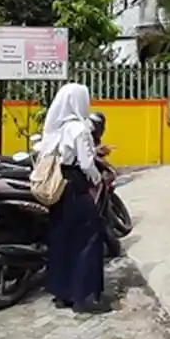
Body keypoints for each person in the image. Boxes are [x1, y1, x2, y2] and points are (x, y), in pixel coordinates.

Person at [39, 83, 110, 314]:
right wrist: (98, 178)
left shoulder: (55, 127)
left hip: (59, 187)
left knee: (62, 237)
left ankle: (62, 293)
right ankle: (85, 296)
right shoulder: (79, 129)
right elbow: (87, 163)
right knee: (89, 237)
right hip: (77, 186)